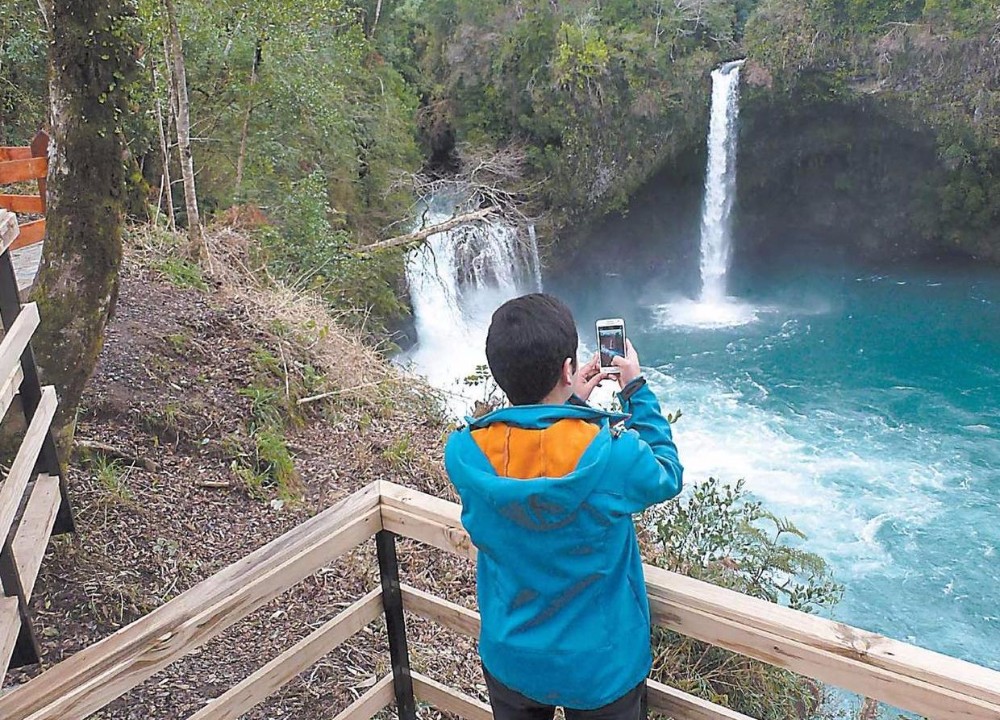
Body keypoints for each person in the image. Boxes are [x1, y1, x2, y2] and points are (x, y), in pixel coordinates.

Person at [444, 293, 683, 720]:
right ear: (568, 368)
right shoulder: (611, 456)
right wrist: (634, 389)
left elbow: (533, 455)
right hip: (600, 665)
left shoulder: (465, 453)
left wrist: (569, 404)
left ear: (499, 373)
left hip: (512, 656)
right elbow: (666, 471)